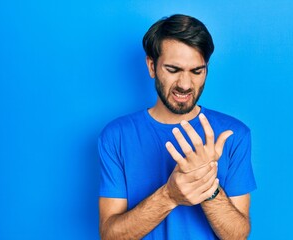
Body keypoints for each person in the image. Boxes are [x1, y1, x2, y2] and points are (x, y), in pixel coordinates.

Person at [98, 14, 256, 240]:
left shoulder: (234, 134)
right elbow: (110, 235)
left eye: (196, 71)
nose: (185, 84)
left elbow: (237, 235)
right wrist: (170, 195)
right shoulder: (115, 136)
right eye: (173, 70)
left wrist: (208, 186)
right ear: (152, 66)